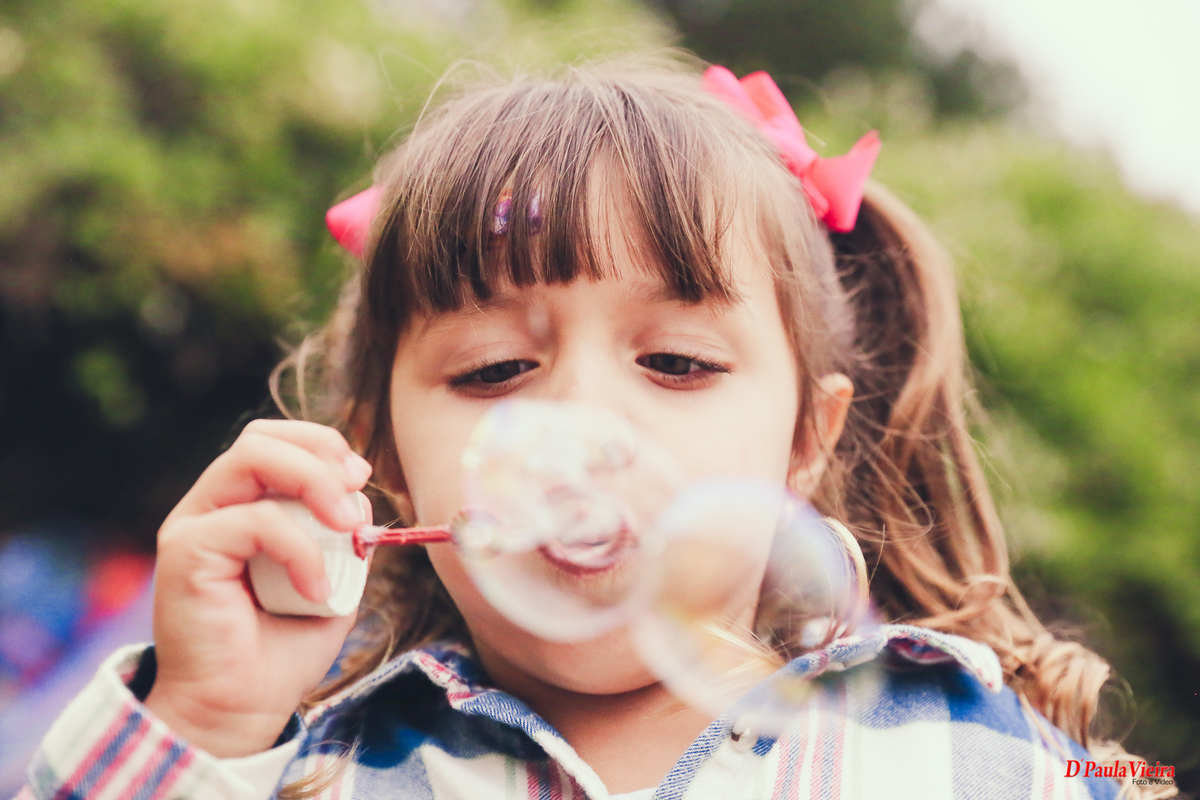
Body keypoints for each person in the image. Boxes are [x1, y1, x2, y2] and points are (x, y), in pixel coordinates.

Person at [20, 57, 1164, 800]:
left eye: (674, 360)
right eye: (493, 369)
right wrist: (206, 718)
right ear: (385, 465)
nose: (578, 424)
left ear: (804, 441)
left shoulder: (990, 763)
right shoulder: (301, 773)